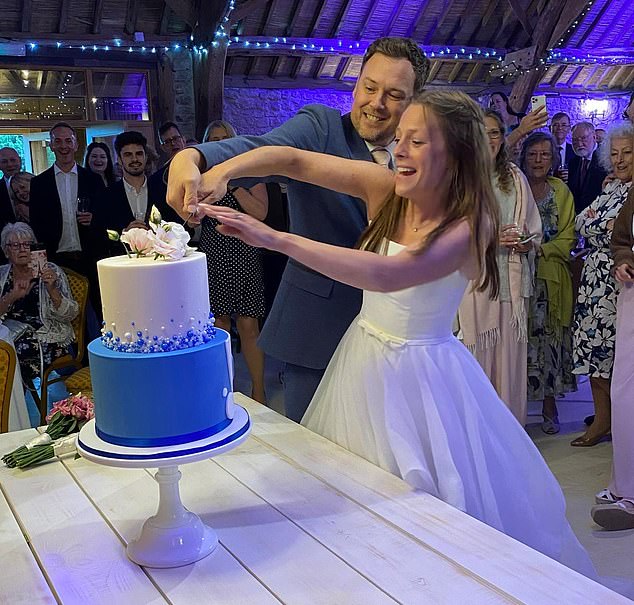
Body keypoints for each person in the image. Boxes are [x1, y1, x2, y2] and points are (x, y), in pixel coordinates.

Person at [191, 90, 597, 578]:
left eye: (416, 141)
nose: (398, 150)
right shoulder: (385, 188)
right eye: (399, 138)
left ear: (456, 155)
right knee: (353, 501)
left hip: (425, 378)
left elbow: (388, 274)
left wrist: (272, 238)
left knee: (425, 507)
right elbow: (295, 160)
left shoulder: (472, 221)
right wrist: (221, 170)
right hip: (362, 357)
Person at [167, 37, 430, 422]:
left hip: (396, 335)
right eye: (369, 87)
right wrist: (193, 157)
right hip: (317, 328)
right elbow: (265, 148)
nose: (376, 103)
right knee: (318, 457)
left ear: (414, 101)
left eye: (393, 94)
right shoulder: (321, 128)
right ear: (356, 85)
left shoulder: (425, 157)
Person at [458, 109, 541, 426]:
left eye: (494, 132)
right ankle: (480, 435)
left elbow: (533, 228)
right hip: (477, 285)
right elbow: (449, 232)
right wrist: (491, 240)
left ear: (503, 137)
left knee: (510, 366)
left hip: (512, 286)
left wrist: (525, 242)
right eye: (482, 131)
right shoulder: (460, 177)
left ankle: (510, 435)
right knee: (479, 363)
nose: (489, 138)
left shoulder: (516, 178)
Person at [571, 122, 633, 447]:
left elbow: (615, 233)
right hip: (593, 281)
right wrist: (599, 224)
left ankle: (621, 427)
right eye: (614, 154)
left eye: (627, 153)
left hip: (619, 285)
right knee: (593, 354)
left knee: (617, 359)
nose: (620, 160)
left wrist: (600, 225)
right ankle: (601, 422)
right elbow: (581, 220)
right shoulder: (610, 187)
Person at [199, 120, 269, 403]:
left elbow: (261, 213)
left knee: (249, 324)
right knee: (220, 324)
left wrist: (233, 182)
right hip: (213, 251)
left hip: (244, 251)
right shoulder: (202, 175)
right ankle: (222, 389)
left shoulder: (250, 172)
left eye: (224, 138)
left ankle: (259, 392)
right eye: (213, 138)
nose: (219, 142)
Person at [520, 132, 577, 434]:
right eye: (533, 154)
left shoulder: (561, 191)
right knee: (521, 342)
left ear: (553, 159)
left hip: (551, 279)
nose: (539, 160)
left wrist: (541, 249)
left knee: (551, 342)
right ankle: (515, 407)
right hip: (518, 276)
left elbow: (569, 235)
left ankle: (549, 406)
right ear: (524, 158)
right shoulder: (514, 187)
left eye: (544, 155)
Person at [29, 122, 107, 322]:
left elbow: (106, 219)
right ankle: (75, 354)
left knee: (100, 312)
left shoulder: (93, 180)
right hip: (58, 260)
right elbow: (35, 224)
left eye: (68, 141)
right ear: (51, 145)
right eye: (58, 141)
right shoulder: (39, 184)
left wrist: (95, 220)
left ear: (76, 145)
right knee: (63, 315)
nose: (63, 146)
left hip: (90, 257)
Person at [592, 184, 634, 529]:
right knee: (625, 388)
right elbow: (621, 239)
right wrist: (624, 262)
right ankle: (626, 488)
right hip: (633, 294)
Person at [0, 222, 78, 382]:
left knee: (13, 357)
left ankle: (24, 404)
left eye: (27, 244)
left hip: (45, 336)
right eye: (15, 245)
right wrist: (11, 296)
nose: (22, 249)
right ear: (6, 251)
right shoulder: (2, 275)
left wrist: (52, 290)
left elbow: (71, 314)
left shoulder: (51, 271)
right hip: (10, 334)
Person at [568, 122, 608, 213]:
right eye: (575, 140)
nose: (579, 144)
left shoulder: (606, 159)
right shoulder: (573, 163)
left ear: (594, 137)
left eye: (583, 138)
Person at [0, 147, 22, 233]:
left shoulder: (36, 184)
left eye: (13, 160)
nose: (9, 164)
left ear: (20, 161)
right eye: (4, 161)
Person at [550, 112, 575, 176]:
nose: (560, 128)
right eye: (555, 125)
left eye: (563, 125)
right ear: (550, 128)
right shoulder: (544, 150)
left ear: (569, 128)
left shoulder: (575, 151)